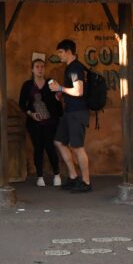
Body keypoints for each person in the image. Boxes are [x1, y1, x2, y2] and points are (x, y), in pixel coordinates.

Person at [51, 39, 92, 193]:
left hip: (77, 112)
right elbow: (74, 90)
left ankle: (86, 182)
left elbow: (78, 91)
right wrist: (62, 93)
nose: (59, 55)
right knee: (59, 141)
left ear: (68, 51)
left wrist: (60, 87)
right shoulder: (71, 68)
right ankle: (73, 177)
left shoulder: (75, 68)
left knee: (77, 147)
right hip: (70, 112)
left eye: (61, 52)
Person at [18, 57, 61, 187]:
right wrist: (31, 114)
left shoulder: (51, 83)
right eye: (37, 66)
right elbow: (22, 103)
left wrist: (58, 97)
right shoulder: (27, 85)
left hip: (50, 122)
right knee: (38, 149)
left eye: (42, 66)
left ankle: (57, 175)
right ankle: (40, 177)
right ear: (32, 69)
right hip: (34, 123)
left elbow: (57, 103)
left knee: (50, 147)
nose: (40, 69)